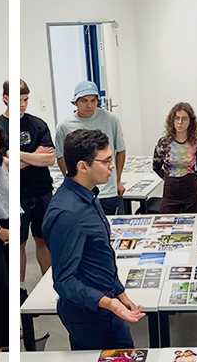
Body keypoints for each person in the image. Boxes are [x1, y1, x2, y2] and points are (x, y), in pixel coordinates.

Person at [42, 129, 145, 350]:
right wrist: (109, 304)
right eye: (106, 160)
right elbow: (64, 281)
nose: (113, 165)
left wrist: (118, 292)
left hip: (103, 302)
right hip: (89, 313)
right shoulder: (68, 214)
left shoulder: (89, 195)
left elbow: (99, 253)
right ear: (83, 166)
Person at [0, 79, 55, 304]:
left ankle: (49, 286)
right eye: (18, 100)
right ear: (5, 98)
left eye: (26, 100)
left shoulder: (37, 124)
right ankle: (19, 290)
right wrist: (34, 156)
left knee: (43, 240)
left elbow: (49, 158)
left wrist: (17, 155)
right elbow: (1, 162)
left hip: (41, 191)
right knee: (18, 244)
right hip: (13, 195)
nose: (22, 104)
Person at [55, 81, 126, 216]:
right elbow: (61, 157)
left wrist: (117, 180)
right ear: (75, 102)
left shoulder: (111, 119)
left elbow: (120, 149)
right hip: (80, 190)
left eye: (93, 101)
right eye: (84, 101)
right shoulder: (64, 126)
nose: (89, 105)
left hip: (107, 190)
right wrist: (71, 182)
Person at [152, 102, 197, 213]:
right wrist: (167, 178)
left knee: (193, 223)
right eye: (177, 118)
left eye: (184, 119)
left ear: (190, 121)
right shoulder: (164, 143)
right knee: (165, 222)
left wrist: (191, 178)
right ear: (172, 121)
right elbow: (156, 166)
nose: (180, 122)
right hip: (171, 189)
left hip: (191, 189)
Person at [0, 124, 9, 351]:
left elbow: (9, 189)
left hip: (6, 223)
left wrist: (15, 219)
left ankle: (4, 334)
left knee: (5, 281)